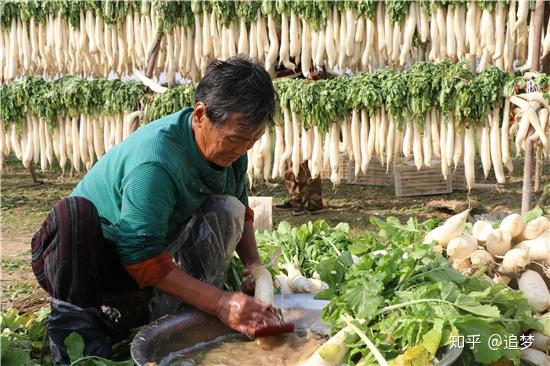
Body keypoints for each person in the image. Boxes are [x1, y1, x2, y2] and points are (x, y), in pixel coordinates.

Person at [30, 56, 280, 364]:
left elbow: (242, 213)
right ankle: (78, 335)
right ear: (200, 114)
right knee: (74, 213)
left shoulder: (232, 154)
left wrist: (254, 266)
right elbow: (139, 255)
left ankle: (165, 310)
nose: (242, 150)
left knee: (225, 209)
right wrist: (219, 303)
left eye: (251, 142)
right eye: (236, 140)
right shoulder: (157, 161)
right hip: (79, 263)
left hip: (141, 262)